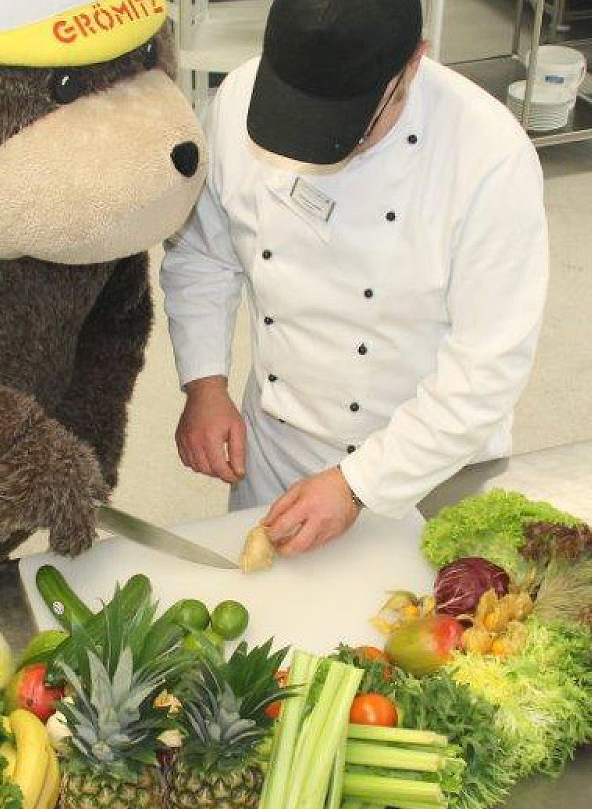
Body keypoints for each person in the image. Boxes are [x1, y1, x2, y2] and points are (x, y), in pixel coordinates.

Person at [160, 0, 548, 557]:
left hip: (428, 466)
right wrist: (205, 384)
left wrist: (358, 484)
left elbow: (486, 367)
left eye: (351, 119)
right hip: (278, 445)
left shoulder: (488, 158)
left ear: (414, 61)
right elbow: (202, 253)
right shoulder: (236, 102)